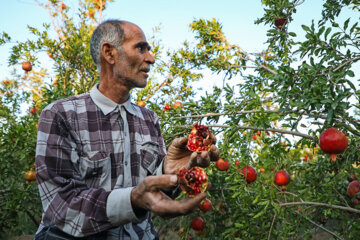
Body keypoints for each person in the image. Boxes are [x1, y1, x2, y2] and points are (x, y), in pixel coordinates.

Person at [34, 19, 219, 239]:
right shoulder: (61, 114)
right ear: (109, 54)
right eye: (141, 48)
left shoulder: (149, 119)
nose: (150, 58)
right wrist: (132, 199)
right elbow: (60, 204)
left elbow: (153, 192)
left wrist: (170, 172)